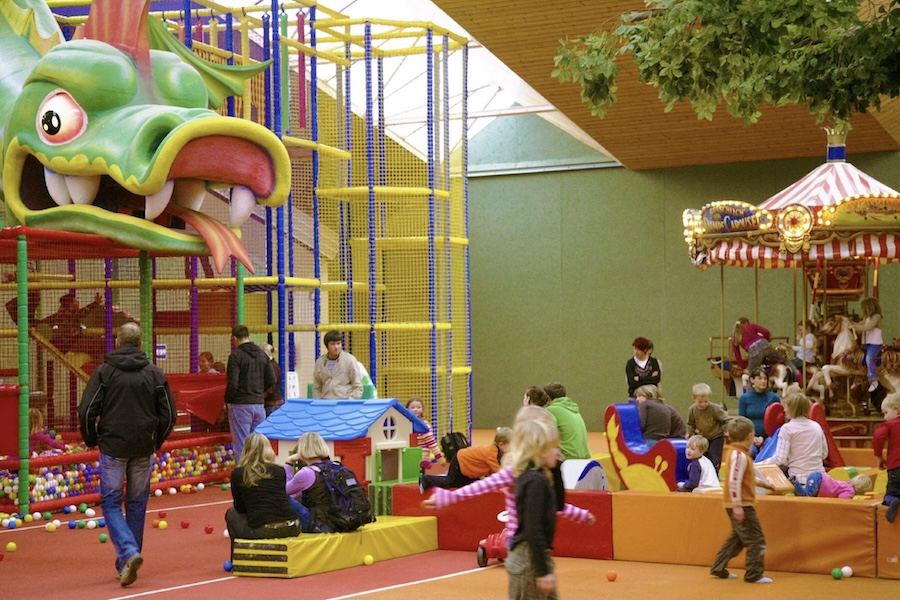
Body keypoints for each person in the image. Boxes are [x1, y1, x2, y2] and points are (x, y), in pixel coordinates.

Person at [77, 322, 176, 587]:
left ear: (117, 343)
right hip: (143, 447)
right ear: (141, 344)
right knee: (136, 503)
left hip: (113, 447)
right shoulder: (154, 374)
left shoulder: (105, 373)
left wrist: (92, 439)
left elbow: (87, 410)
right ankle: (127, 560)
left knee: (110, 502)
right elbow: (169, 415)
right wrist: (156, 441)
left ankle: (128, 553)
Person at [420, 405, 595, 542]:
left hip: (537, 548)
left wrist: (580, 515)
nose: (557, 451)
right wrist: (445, 497)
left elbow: (554, 504)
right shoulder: (515, 472)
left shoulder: (544, 472)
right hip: (521, 546)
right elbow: (480, 486)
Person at [710, 416, 775, 584]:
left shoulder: (739, 454)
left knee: (737, 538)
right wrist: (737, 505)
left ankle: (718, 567)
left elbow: (745, 477)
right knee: (756, 540)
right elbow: (733, 481)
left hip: (738, 503)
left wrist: (763, 484)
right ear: (749, 436)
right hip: (741, 504)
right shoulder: (738, 456)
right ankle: (754, 573)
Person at [506, 418, 562, 599]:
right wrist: (542, 570)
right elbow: (533, 527)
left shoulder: (541, 478)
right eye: (554, 447)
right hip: (528, 558)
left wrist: (557, 469)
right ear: (540, 450)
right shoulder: (535, 481)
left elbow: (559, 505)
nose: (558, 452)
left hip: (537, 556)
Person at [225, 433, 300, 558]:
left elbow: (240, 508)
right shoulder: (279, 470)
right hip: (292, 526)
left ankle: (237, 557)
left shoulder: (239, 473)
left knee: (231, 513)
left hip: (264, 529)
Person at [225, 324, 276, 462]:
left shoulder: (236, 356)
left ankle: (243, 477)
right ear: (248, 336)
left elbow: (233, 383)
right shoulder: (262, 355)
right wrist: (259, 391)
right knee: (258, 444)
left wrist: (228, 400)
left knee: (242, 444)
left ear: (234, 338)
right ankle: (258, 475)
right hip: (259, 405)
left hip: (241, 405)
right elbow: (272, 379)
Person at [756, 392, 827, 483]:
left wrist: (757, 465)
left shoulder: (787, 429)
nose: (784, 410)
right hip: (821, 478)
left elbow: (779, 459)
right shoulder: (817, 426)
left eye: (786, 407)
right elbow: (824, 454)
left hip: (799, 479)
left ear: (792, 409)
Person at [420, 427, 512, 491]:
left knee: (474, 485)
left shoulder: (497, 452)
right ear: (501, 444)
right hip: (460, 462)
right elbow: (500, 474)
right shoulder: (492, 454)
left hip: (467, 466)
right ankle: (426, 479)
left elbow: (491, 473)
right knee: (451, 483)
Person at [284, 432, 336, 532]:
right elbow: (297, 493)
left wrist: (288, 463)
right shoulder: (333, 467)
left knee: (280, 495)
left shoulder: (306, 473)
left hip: (319, 524)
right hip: (336, 521)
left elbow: (283, 490)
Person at [540, 382, 591, 460]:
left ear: (548, 398)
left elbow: (548, 435)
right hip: (583, 456)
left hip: (567, 457)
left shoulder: (551, 410)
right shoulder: (573, 409)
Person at [686, 382, 729, 470]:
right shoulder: (692, 410)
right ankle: (704, 473)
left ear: (709, 398)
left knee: (715, 457)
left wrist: (726, 430)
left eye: (706, 401)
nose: (703, 404)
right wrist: (689, 433)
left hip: (716, 436)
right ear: (694, 399)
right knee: (703, 457)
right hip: (702, 438)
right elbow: (690, 424)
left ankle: (715, 473)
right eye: (700, 402)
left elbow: (726, 419)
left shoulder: (714, 408)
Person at [312, 330, 363, 399]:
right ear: (327, 346)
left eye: (338, 343)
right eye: (332, 344)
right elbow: (316, 387)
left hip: (344, 402)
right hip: (325, 402)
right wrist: (318, 402)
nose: (336, 347)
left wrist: (349, 401)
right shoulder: (320, 362)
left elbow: (358, 387)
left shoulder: (350, 360)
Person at [874, 393, 900, 523]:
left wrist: (879, 456)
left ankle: (892, 500)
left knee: (892, 492)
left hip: (896, 467)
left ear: (897, 410)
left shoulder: (890, 425)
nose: (885, 417)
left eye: (886, 412)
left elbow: (878, 436)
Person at [738, 367, 781, 439]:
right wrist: (752, 437)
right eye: (760, 378)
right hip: (749, 437)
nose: (763, 381)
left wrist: (763, 437)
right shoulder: (744, 398)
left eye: (765, 378)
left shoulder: (774, 398)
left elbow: (777, 423)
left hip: (769, 436)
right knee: (751, 449)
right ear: (752, 380)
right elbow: (742, 421)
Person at [853, 297, 883, 393]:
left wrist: (855, 326)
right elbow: (859, 325)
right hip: (866, 343)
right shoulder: (867, 318)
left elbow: (867, 327)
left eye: (864, 308)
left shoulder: (877, 317)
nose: (863, 310)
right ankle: (858, 378)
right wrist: (848, 323)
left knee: (869, 359)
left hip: (875, 343)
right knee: (857, 358)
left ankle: (874, 380)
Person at [406, 397, 443, 463]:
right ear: (407, 409)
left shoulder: (424, 425)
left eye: (418, 407)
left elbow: (431, 441)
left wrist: (438, 456)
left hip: (421, 457)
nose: (415, 410)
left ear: (422, 409)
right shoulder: (407, 423)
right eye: (412, 407)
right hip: (409, 455)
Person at [792, 472, 873, 499]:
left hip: (817, 475)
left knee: (806, 491)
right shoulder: (850, 491)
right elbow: (841, 501)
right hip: (820, 482)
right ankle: (794, 481)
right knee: (806, 496)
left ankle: (794, 486)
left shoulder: (847, 484)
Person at [261, 343, 284, 416]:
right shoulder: (273, 365)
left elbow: (271, 385)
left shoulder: (271, 367)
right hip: (274, 403)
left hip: (272, 404)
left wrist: (262, 395)